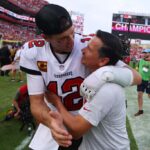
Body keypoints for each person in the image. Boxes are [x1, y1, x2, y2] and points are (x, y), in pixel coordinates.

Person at [19, 4, 141, 150]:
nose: (71, 40)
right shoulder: (33, 52)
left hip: (85, 123)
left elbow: (137, 77)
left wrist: (105, 74)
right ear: (45, 38)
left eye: (72, 33)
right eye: (62, 39)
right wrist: (52, 123)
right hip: (54, 119)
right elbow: (37, 103)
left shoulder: (87, 45)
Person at [48, 30, 130, 150]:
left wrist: (56, 102)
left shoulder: (107, 89)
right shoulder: (98, 79)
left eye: (89, 49)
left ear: (103, 61)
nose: (82, 50)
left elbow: (76, 131)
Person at [134, 49, 150, 116]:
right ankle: (140, 110)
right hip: (141, 80)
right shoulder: (141, 61)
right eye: (144, 53)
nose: (144, 54)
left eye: (146, 53)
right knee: (139, 95)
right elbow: (138, 68)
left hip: (149, 81)